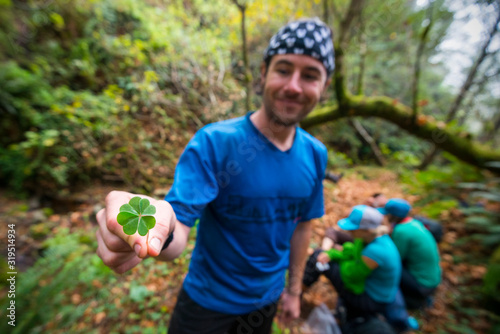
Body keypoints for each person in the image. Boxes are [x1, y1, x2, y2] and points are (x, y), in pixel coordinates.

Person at [95, 17, 335, 334]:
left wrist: (292, 291)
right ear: (263, 73)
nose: (293, 85)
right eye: (283, 69)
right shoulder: (215, 143)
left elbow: (303, 226)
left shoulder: (316, 154)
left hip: (265, 303)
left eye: (309, 75)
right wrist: (156, 229)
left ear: (324, 87)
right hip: (205, 307)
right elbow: (177, 227)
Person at [302, 205, 401, 334]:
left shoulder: (375, 251)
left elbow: (350, 275)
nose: (351, 232)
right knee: (323, 255)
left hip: (370, 300)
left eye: (354, 229)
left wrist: (335, 256)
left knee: (318, 258)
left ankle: (297, 291)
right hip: (372, 290)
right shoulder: (371, 239)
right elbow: (351, 253)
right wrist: (332, 254)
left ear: (367, 230)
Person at [378, 198, 442, 309]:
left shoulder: (401, 230)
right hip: (433, 280)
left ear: (392, 216)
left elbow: (395, 257)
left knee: (386, 263)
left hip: (422, 285)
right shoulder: (413, 223)